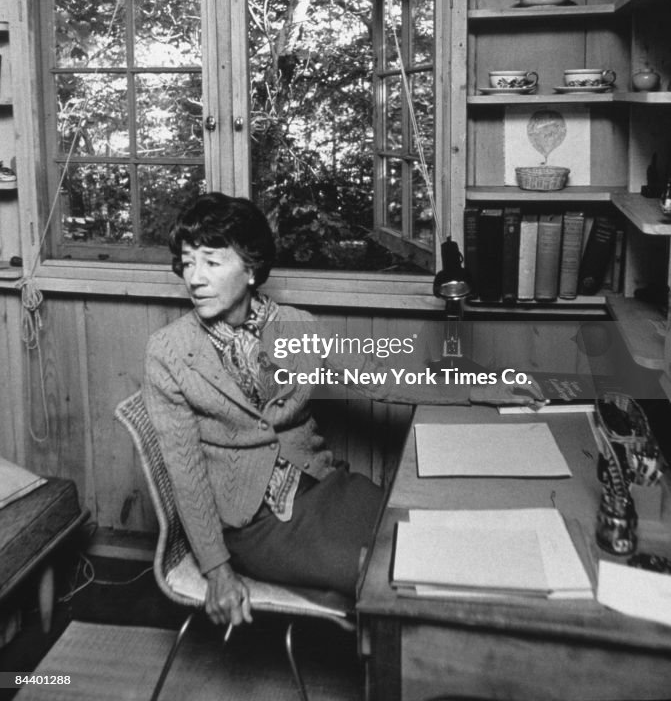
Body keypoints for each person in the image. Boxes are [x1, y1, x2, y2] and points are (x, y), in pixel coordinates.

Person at [143, 192, 541, 629]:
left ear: (252, 269)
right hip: (254, 525)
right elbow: (186, 473)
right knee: (386, 579)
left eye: (212, 263)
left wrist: (478, 386)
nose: (194, 278)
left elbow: (380, 378)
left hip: (324, 488)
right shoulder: (169, 352)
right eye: (187, 262)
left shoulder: (295, 327)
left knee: (435, 542)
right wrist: (218, 572)